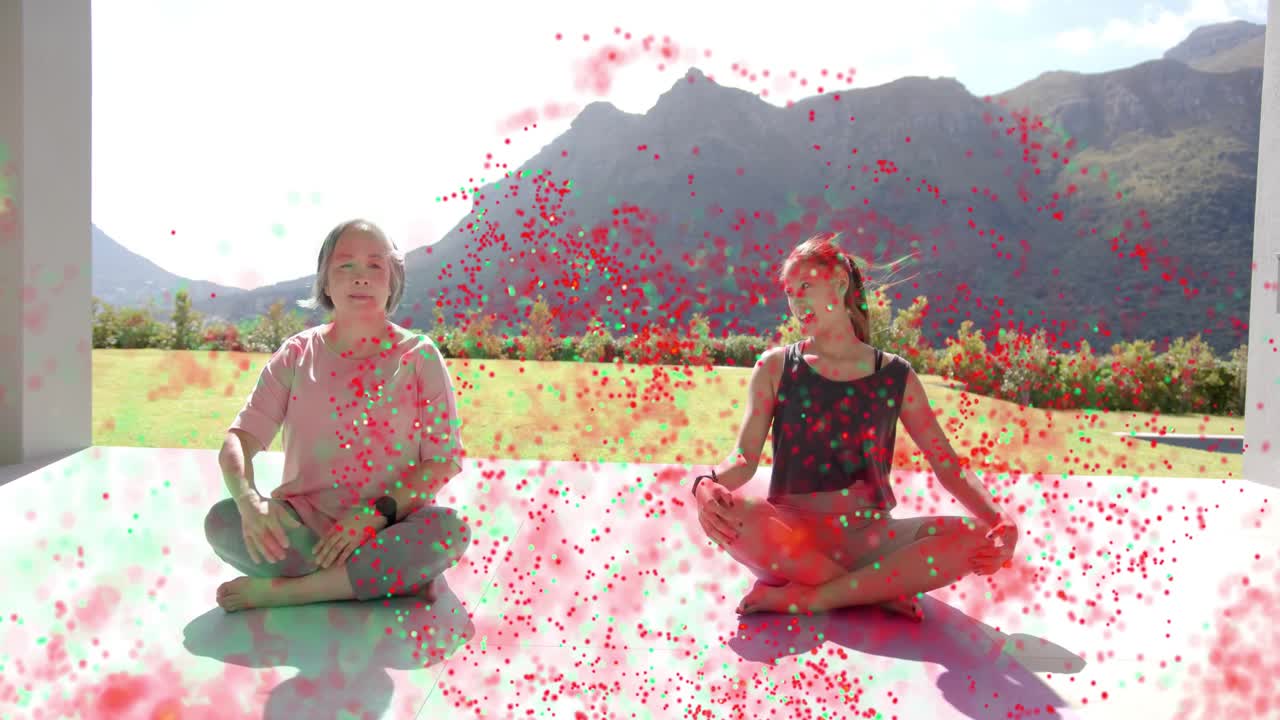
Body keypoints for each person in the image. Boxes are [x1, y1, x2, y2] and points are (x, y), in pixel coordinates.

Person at [692, 232, 1018, 620]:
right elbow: (744, 459)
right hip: (790, 538)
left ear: (840, 282)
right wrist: (706, 485)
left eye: (807, 286)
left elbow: (948, 466)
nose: (797, 302)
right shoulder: (774, 367)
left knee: (974, 539)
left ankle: (818, 596)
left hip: (870, 539)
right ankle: (875, 590)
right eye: (791, 292)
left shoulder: (896, 375)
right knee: (736, 514)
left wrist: (1000, 519)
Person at [204, 219, 470, 612]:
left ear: (392, 281)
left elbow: (442, 461)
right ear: (325, 281)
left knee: (447, 532)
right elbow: (238, 440)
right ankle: (379, 580)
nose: (360, 277)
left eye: (375, 266)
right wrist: (249, 502)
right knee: (223, 521)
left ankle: (293, 591)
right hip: (305, 529)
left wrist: (372, 517)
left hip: (389, 526)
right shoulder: (297, 354)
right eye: (345, 265)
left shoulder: (420, 357)